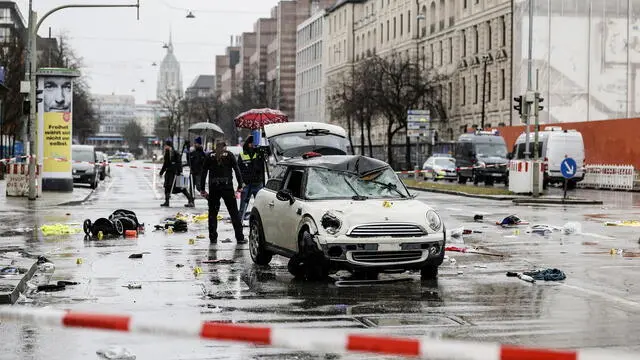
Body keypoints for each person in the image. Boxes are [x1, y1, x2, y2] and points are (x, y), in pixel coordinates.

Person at [200, 141, 245, 244]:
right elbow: (237, 170)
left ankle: (213, 237)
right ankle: (240, 237)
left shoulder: (209, 156)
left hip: (214, 188)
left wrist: (202, 189)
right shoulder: (229, 155)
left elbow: (203, 172)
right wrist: (240, 185)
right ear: (225, 147)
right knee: (234, 213)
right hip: (227, 187)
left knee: (212, 213)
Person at [159, 139, 195, 208]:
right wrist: (161, 172)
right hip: (169, 173)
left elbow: (179, 163)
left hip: (175, 173)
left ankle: (190, 199)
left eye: (166, 145)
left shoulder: (175, 153)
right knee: (167, 187)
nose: (165, 147)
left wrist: (179, 171)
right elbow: (165, 164)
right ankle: (167, 201)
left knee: (181, 188)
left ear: (169, 146)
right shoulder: (167, 153)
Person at [238, 135, 265, 221]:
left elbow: (261, 168)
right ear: (249, 144)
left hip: (258, 184)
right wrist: (241, 183)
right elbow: (239, 170)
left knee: (260, 208)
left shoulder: (258, 154)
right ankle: (239, 224)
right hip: (247, 184)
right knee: (243, 207)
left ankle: (259, 223)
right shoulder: (242, 154)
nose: (254, 145)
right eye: (252, 143)